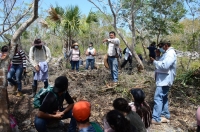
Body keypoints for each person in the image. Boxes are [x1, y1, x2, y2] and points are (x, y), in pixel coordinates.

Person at [150, 40, 177, 125]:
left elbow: (164, 66)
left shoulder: (170, 53)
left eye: (161, 46)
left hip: (164, 81)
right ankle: (165, 114)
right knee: (163, 98)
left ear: (165, 45)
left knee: (158, 98)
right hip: (163, 80)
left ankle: (156, 118)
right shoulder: (166, 53)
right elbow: (162, 63)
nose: (160, 48)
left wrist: (154, 61)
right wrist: (158, 56)